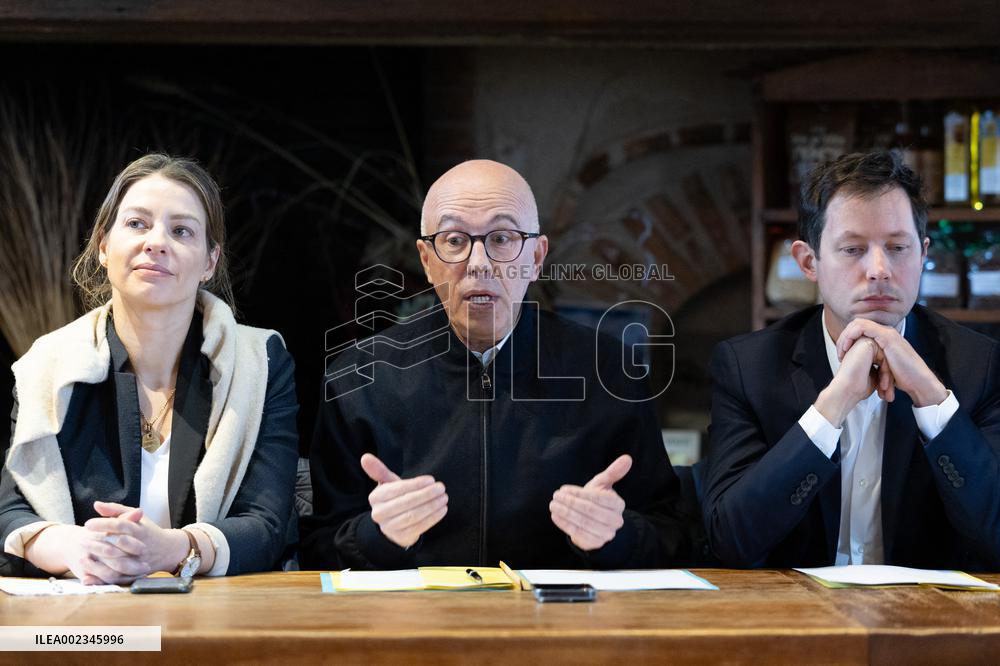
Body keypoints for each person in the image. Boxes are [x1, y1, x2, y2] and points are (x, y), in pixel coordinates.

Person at [300, 159, 686, 570]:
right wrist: (377, 537)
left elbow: (673, 534)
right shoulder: (360, 375)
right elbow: (315, 549)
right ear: (426, 260)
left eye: (502, 238)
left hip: (562, 622)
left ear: (537, 256)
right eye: (453, 240)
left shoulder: (607, 368)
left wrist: (615, 536)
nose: (479, 262)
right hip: (414, 623)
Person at [1, 154, 299, 583]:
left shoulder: (261, 361)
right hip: (85, 619)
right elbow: (10, 511)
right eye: (137, 224)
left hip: (218, 620)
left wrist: (175, 549)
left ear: (209, 262)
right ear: (104, 246)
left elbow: (266, 523)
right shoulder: (47, 365)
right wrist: (69, 546)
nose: (156, 241)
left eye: (181, 231)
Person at [703, 150, 1000, 570]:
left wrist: (932, 399)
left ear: (922, 254)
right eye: (853, 249)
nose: (879, 269)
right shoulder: (748, 367)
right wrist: (831, 407)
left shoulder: (979, 365)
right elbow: (729, 541)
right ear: (809, 261)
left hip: (926, 622)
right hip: (794, 620)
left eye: (898, 247)